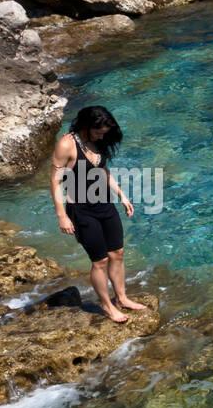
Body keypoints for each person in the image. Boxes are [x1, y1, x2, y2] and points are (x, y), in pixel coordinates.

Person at [49, 106, 146, 323]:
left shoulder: (97, 141)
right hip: (82, 210)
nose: (102, 136)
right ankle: (107, 305)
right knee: (100, 260)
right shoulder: (67, 144)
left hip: (105, 205)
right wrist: (62, 215)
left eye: (104, 133)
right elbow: (55, 181)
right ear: (86, 126)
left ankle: (122, 298)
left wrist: (122, 195)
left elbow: (103, 170)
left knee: (117, 252)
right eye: (99, 132)